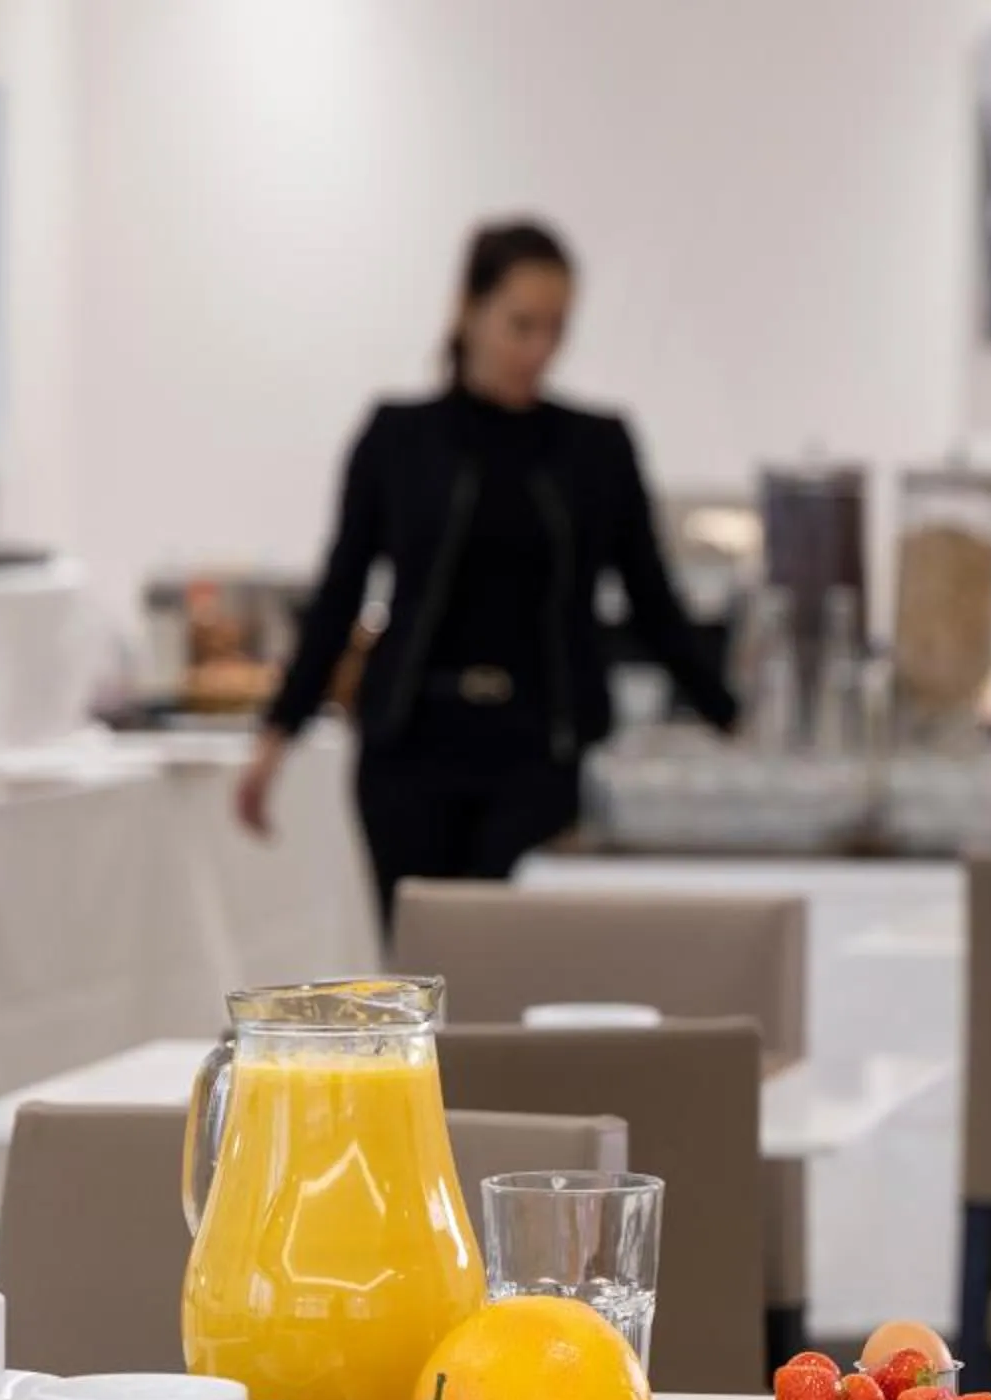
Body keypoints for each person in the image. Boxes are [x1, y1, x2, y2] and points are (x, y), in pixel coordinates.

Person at [237, 218, 736, 923]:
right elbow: (340, 593)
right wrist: (276, 736)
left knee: (510, 967)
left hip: (543, 750)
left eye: (556, 329)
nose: (538, 350)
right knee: (419, 979)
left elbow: (654, 604)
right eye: (520, 325)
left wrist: (732, 717)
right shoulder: (398, 440)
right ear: (468, 311)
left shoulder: (594, 449)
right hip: (411, 749)